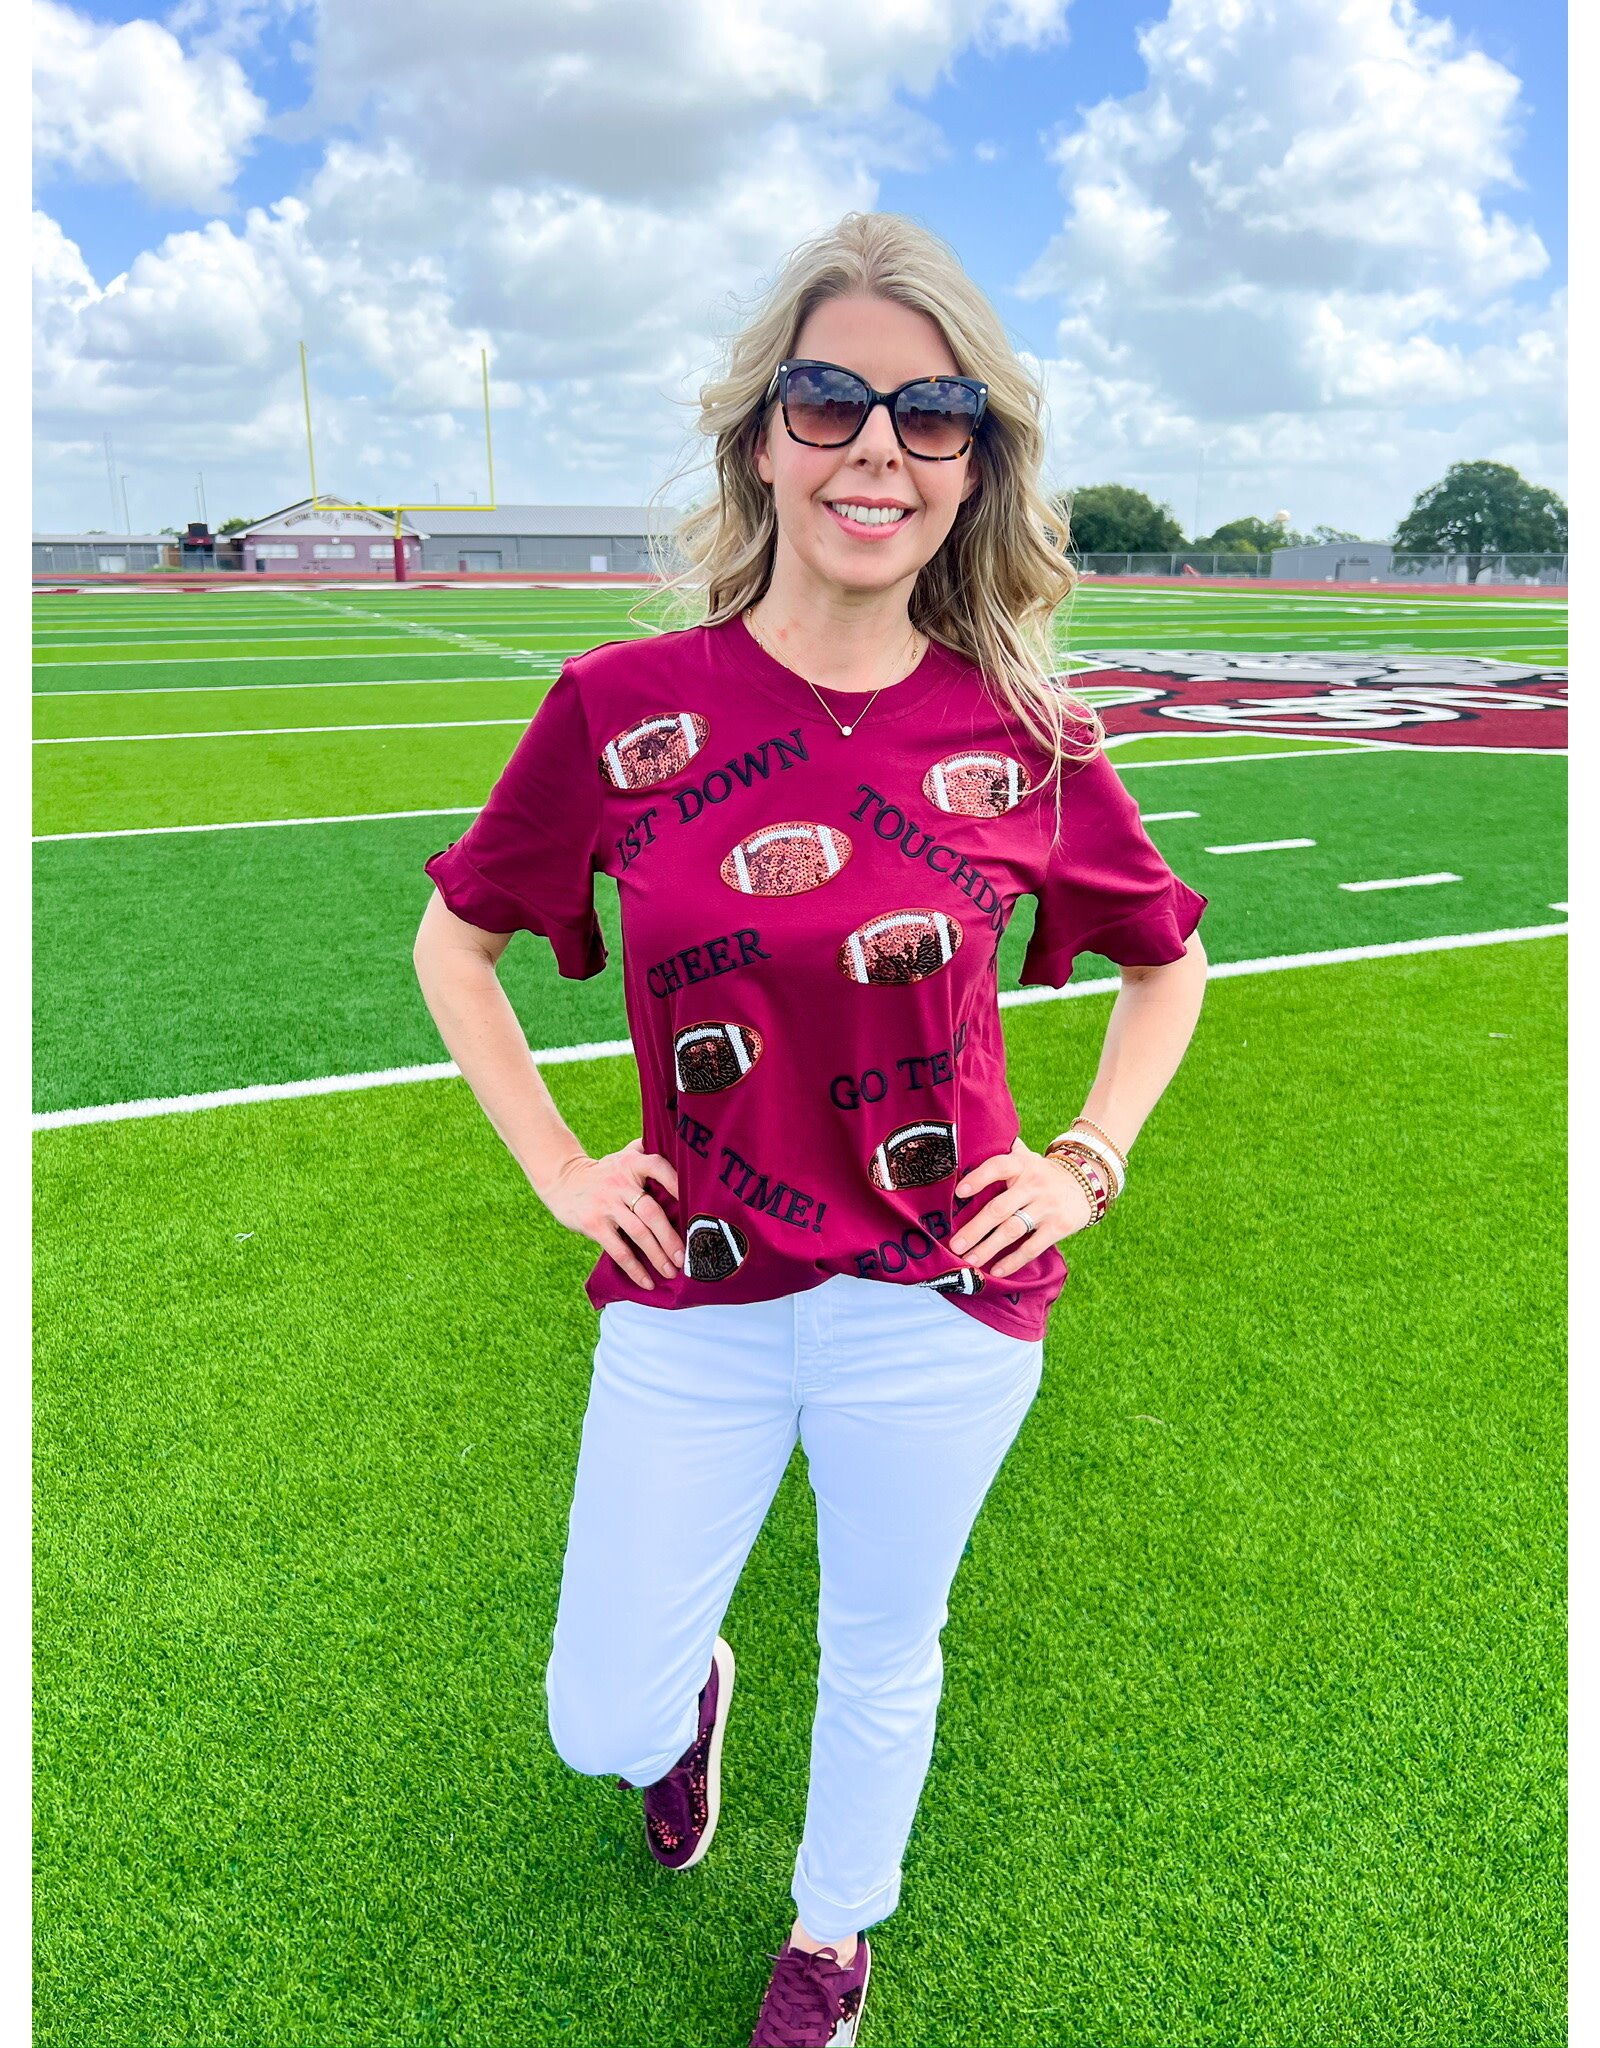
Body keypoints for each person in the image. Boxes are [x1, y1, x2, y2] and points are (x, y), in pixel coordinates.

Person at [413, 211, 1209, 2047]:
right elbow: (458, 946)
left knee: (884, 1646)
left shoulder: (1024, 730)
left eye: (933, 416)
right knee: (590, 1715)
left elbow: (1164, 967)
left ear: (975, 465)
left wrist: (1087, 1156)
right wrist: (560, 1167)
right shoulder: (628, 709)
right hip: (692, 1288)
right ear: (762, 435)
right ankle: (679, 1701)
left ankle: (832, 1940)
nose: (878, 447)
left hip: (938, 1298)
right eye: (834, 397)